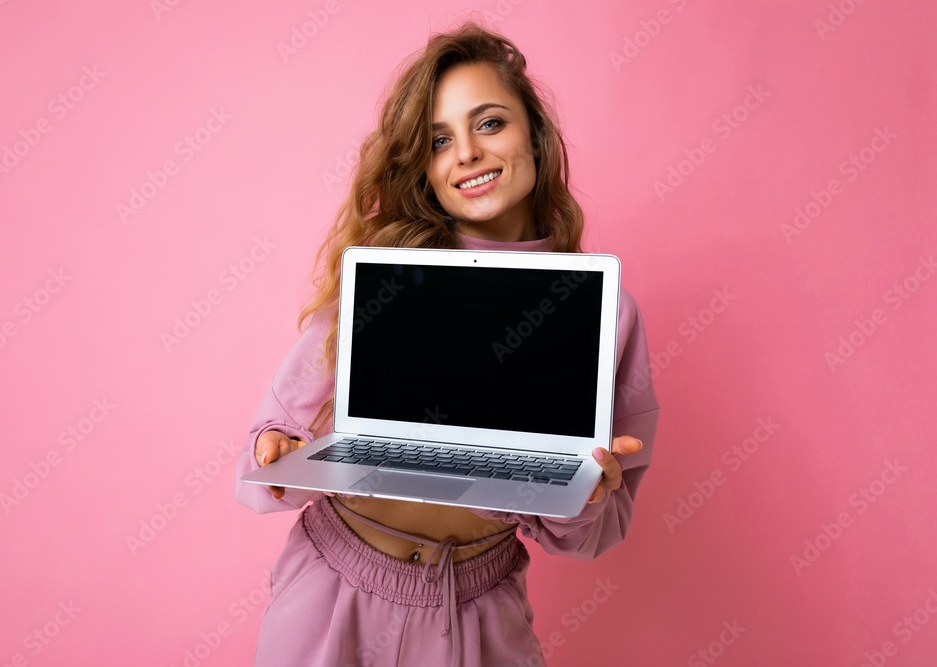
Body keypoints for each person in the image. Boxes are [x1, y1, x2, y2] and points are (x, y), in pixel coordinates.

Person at [236, 22, 659, 667]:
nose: (466, 153)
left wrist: (586, 492)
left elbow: (594, 534)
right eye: (439, 140)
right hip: (331, 593)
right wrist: (279, 449)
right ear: (424, 166)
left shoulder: (605, 312)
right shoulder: (383, 279)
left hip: (478, 610)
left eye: (489, 123)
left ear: (535, 137)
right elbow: (267, 450)